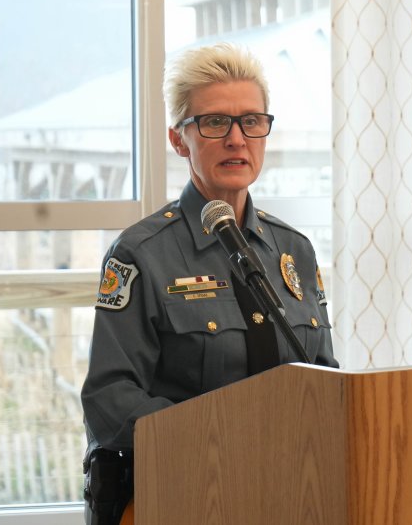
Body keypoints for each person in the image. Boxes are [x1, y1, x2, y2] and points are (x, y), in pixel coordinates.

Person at [80, 42, 338, 524]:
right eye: (215, 122)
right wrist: (220, 441)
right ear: (181, 140)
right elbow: (109, 399)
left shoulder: (293, 250)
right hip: (184, 494)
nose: (237, 139)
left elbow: (322, 373)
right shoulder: (141, 252)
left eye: (252, 121)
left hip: (292, 492)